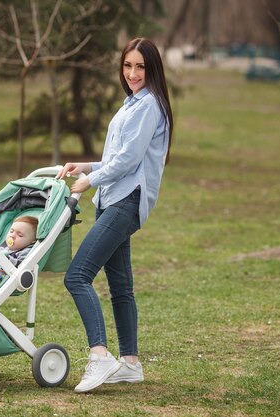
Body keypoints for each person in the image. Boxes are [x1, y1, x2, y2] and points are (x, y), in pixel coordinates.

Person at [56, 37, 173, 393]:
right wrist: (86, 166)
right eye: (128, 66)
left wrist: (87, 182)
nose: (133, 73)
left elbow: (128, 162)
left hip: (126, 201)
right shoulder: (132, 103)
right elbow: (119, 157)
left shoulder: (148, 105)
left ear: (151, 68)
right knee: (121, 288)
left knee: (77, 276)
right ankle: (131, 364)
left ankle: (100, 355)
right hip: (115, 199)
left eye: (140, 66)